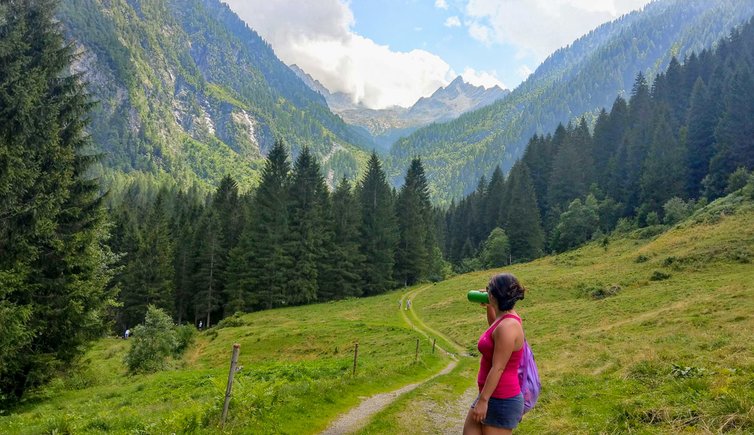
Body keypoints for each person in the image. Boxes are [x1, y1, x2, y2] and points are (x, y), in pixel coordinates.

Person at [463, 273, 526, 435]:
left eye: (488, 289)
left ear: (492, 294)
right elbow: (494, 328)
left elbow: (498, 367)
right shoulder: (504, 319)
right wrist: (490, 306)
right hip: (490, 395)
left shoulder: (508, 326)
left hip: (501, 399)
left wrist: (483, 401)